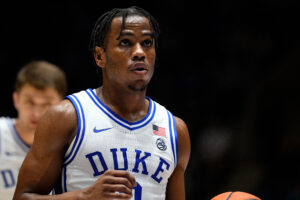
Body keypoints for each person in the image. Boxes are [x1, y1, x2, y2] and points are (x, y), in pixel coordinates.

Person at [13, 6, 191, 200]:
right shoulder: (66, 117)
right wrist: (84, 196)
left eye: (147, 43)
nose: (140, 52)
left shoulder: (176, 130)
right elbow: (22, 197)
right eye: (125, 42)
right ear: (100, 56)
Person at [0, 60, 67, 199]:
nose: (37, 113)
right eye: (30, 102)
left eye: (47, 104)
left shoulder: (71, 143)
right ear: (16, 99)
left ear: (61, 105)